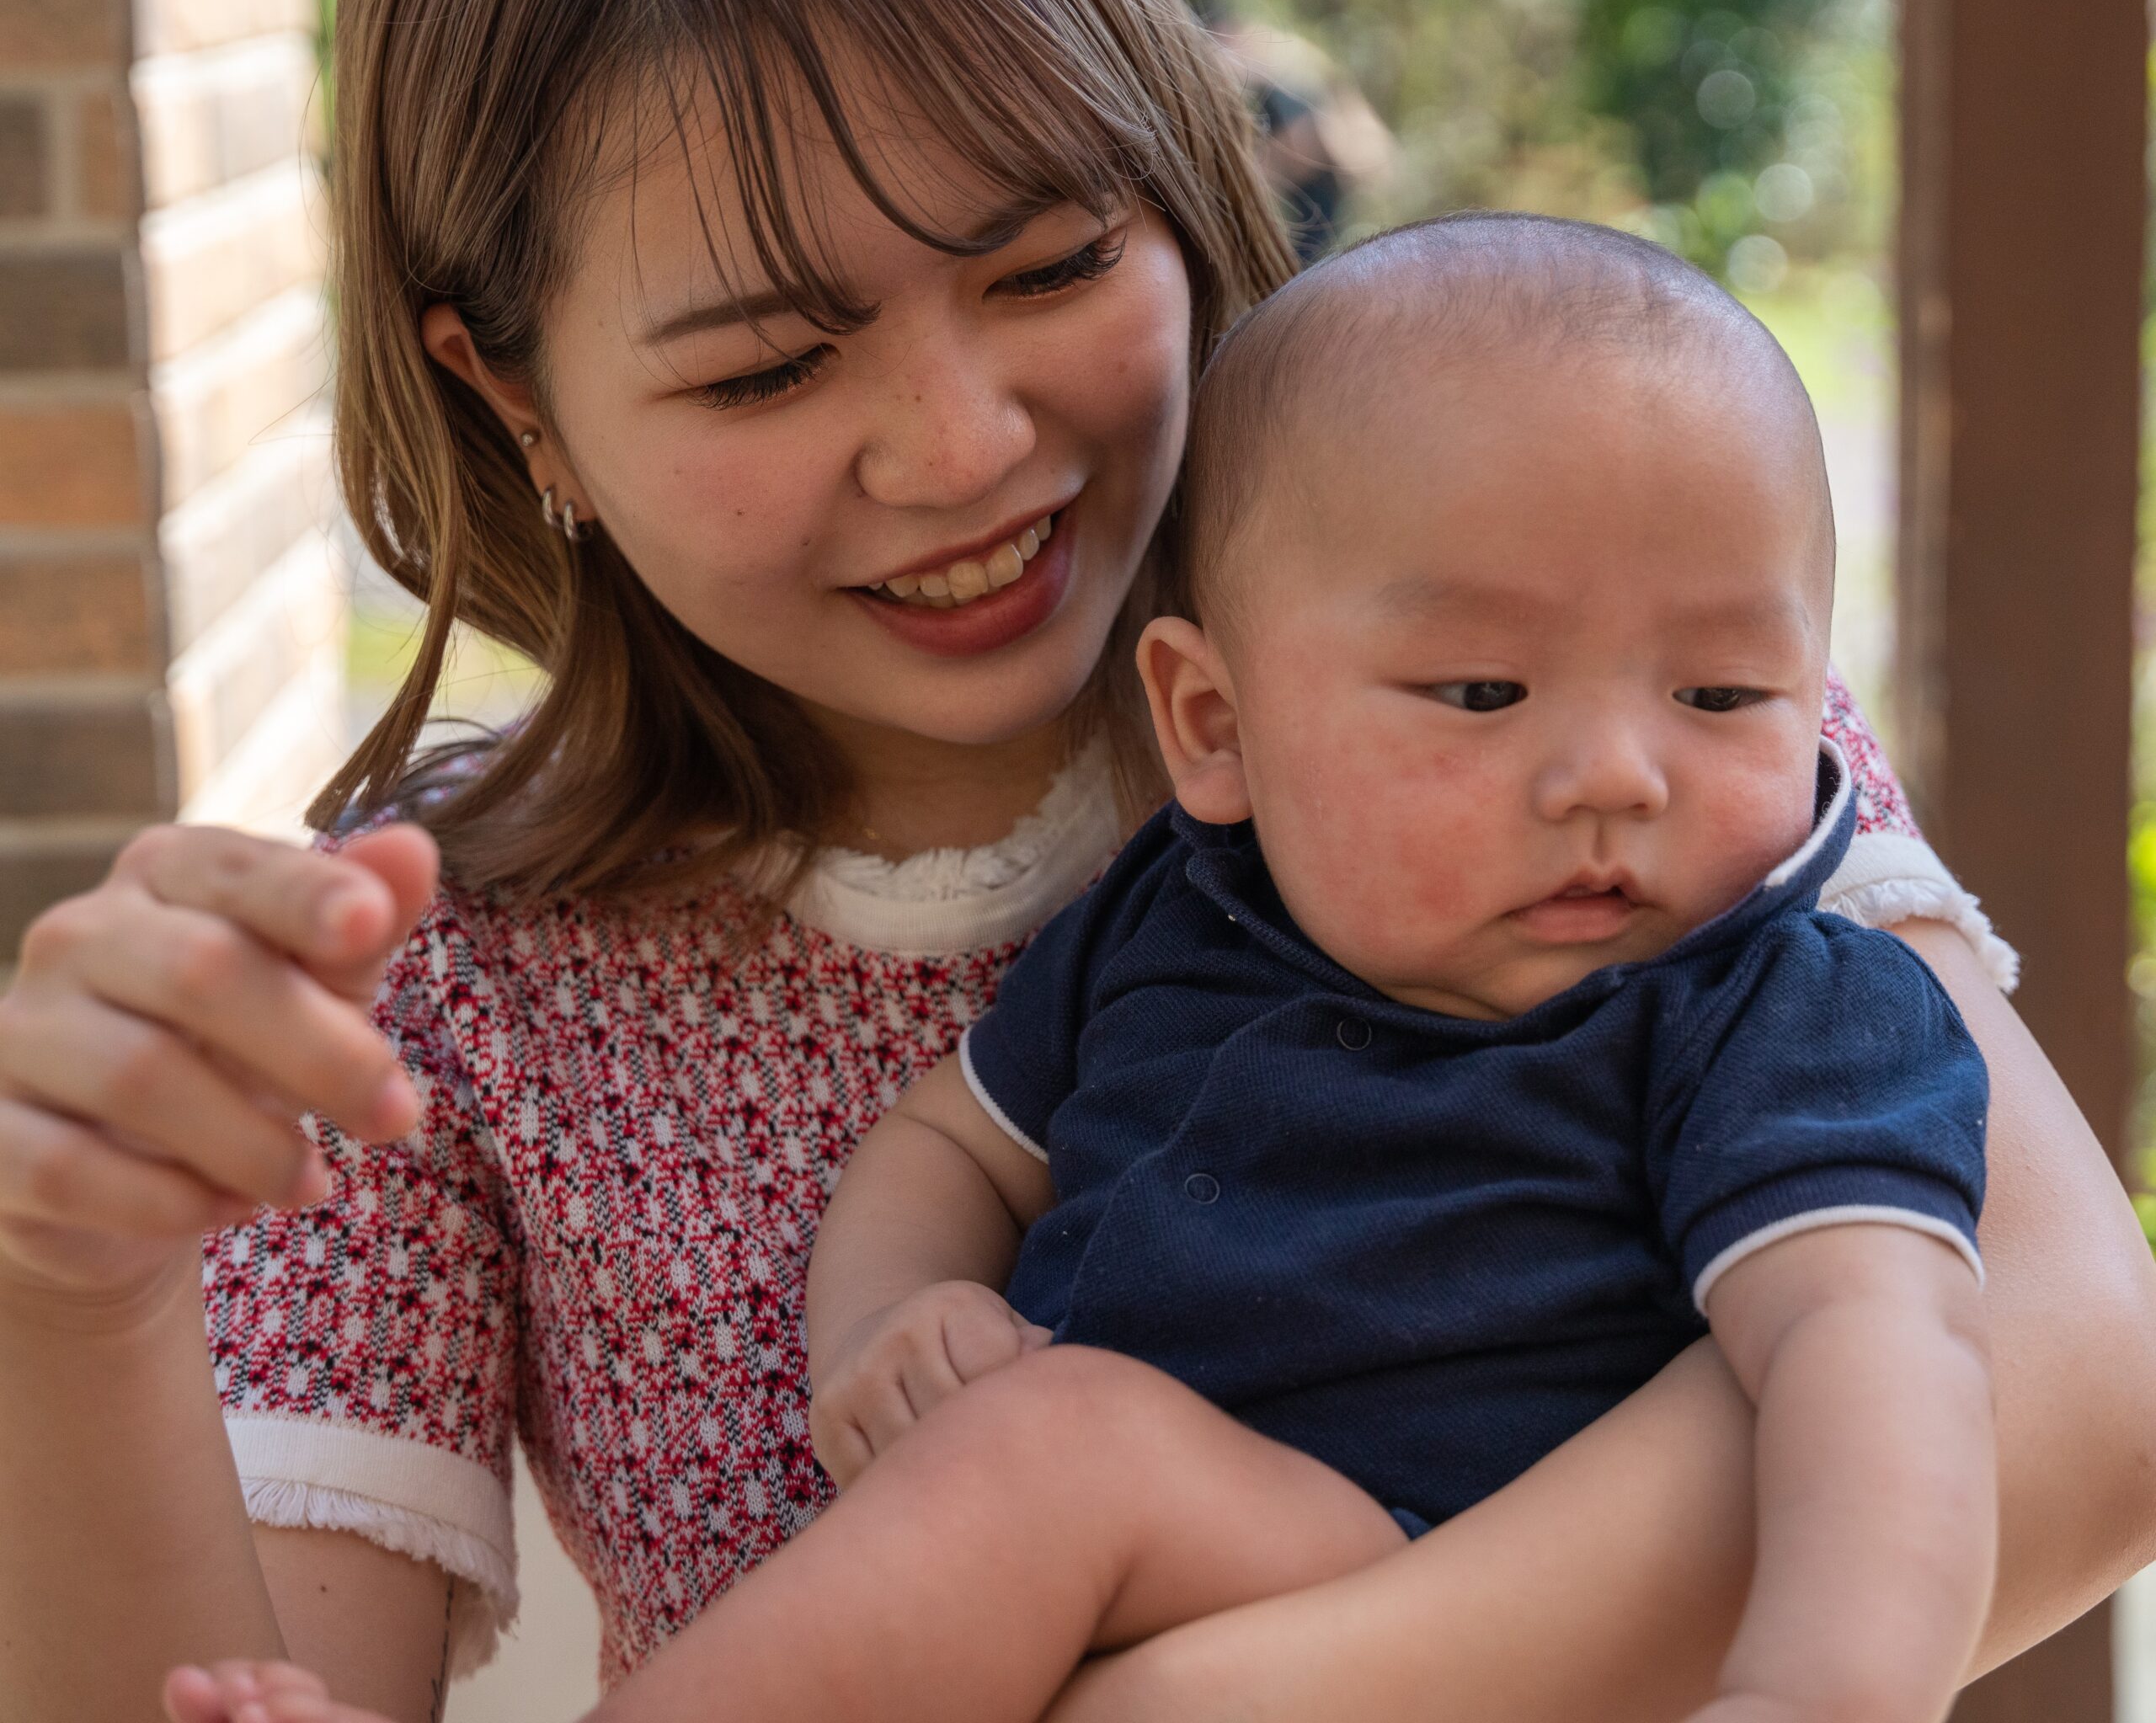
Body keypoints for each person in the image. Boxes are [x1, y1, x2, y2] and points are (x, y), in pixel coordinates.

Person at [0, 0, 2144, 1723]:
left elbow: (2073, 1386)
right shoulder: (446, 981)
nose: (962, 450)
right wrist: (73, 1291)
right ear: (516, 399)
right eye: (763, 361)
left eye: (1045, 261)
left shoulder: (1559, 689)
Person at [168, 215, 2000, 1723]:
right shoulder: (1187, 915)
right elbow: (948, 1146)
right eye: (1476, 693)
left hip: (1455, 1565)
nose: (1619, 768)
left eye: (1722, 693)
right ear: (1211, 722)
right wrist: (881, 1322)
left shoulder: (1772, 992)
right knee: (1043, 1447)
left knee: (1062, 1449)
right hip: (1169, 1562)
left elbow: (1878, 1343)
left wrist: (1821, 1685)